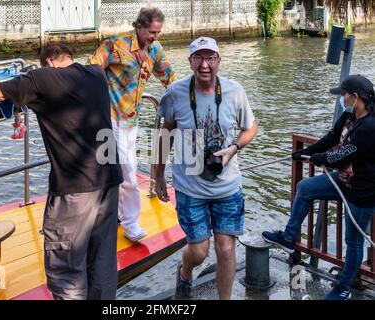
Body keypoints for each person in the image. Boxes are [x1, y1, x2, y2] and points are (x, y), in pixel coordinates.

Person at [0, 44, 123, 300]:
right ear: (68, 57)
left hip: (74, 190)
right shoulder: (96, 75)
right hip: (109, 183)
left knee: (67, 270)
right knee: (102, 265)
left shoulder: (42, 78)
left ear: (48, 62)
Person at [154, 37, 258, 300]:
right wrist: (157, 176)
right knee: (199, 251)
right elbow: (165, 135)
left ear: (218, 61)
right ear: (190, 62)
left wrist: (234, 147)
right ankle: (185, 271)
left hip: (227, 185)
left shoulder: (234, 91)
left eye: (210, 58)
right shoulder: (175, 94)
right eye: (198, 58)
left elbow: (251, 128)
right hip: (190, 186)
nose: (204, 65)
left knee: (225, 249)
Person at [262, 74, 375, 300]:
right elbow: (331, 138)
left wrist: (319, 158)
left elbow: (343, 155)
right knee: (305, 188)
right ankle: (288, 236)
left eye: (343, 95)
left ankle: (343, 288)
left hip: (362, 191)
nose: (341, 99)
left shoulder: (370, 125)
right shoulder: (348, 115)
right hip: (341, 180)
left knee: (353, 242)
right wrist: (306, 152)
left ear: (354, 97)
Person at [87, 6, 177, 242]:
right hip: (108, 117)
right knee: (127, 170)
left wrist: (188, 97)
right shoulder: (115, 45)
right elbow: (90, 70)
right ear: (139, 26)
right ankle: (131, 223)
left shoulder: (155, 49)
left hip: (131, 120)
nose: (155, 37)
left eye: (158, 32)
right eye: (151, 32)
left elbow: (169, 77)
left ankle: (116, 214)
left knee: (115, 167)